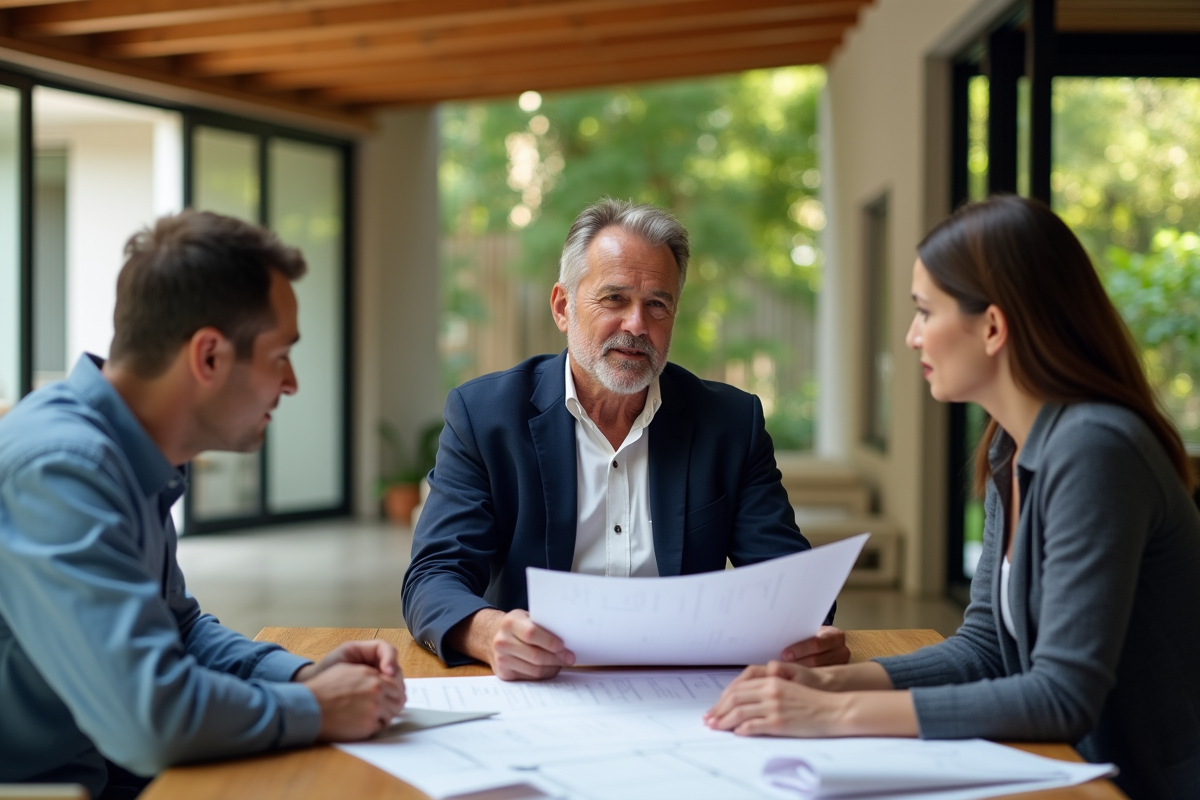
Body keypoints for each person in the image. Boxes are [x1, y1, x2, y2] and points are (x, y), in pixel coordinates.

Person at [704, 195, 1200, 800]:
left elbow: (1061, 697)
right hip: (1068, 768)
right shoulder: (1010, 449)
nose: (912, 338)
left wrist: (833, 718)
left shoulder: (1096, 449)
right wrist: (832, 686)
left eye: (924, 312)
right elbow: (987, 645)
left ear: (992, 326)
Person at [0, 211, 406, 798]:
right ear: (209, 356)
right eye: (279, 355)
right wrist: (313, 707)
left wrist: (300, 674)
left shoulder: (128, 450)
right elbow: (148, 720)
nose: (290, 383)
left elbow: (177, 628)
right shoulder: (63, 469)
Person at [403, 198, 847, 681]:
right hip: (541, 685)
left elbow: (792, 585)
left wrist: (805, 629)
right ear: (563, 307)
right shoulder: (486, 417)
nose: (637, 325)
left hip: (685, 687)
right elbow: (433, 576)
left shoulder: (730, 423)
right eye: (614, 299)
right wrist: (488, 632)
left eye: (657, 304)